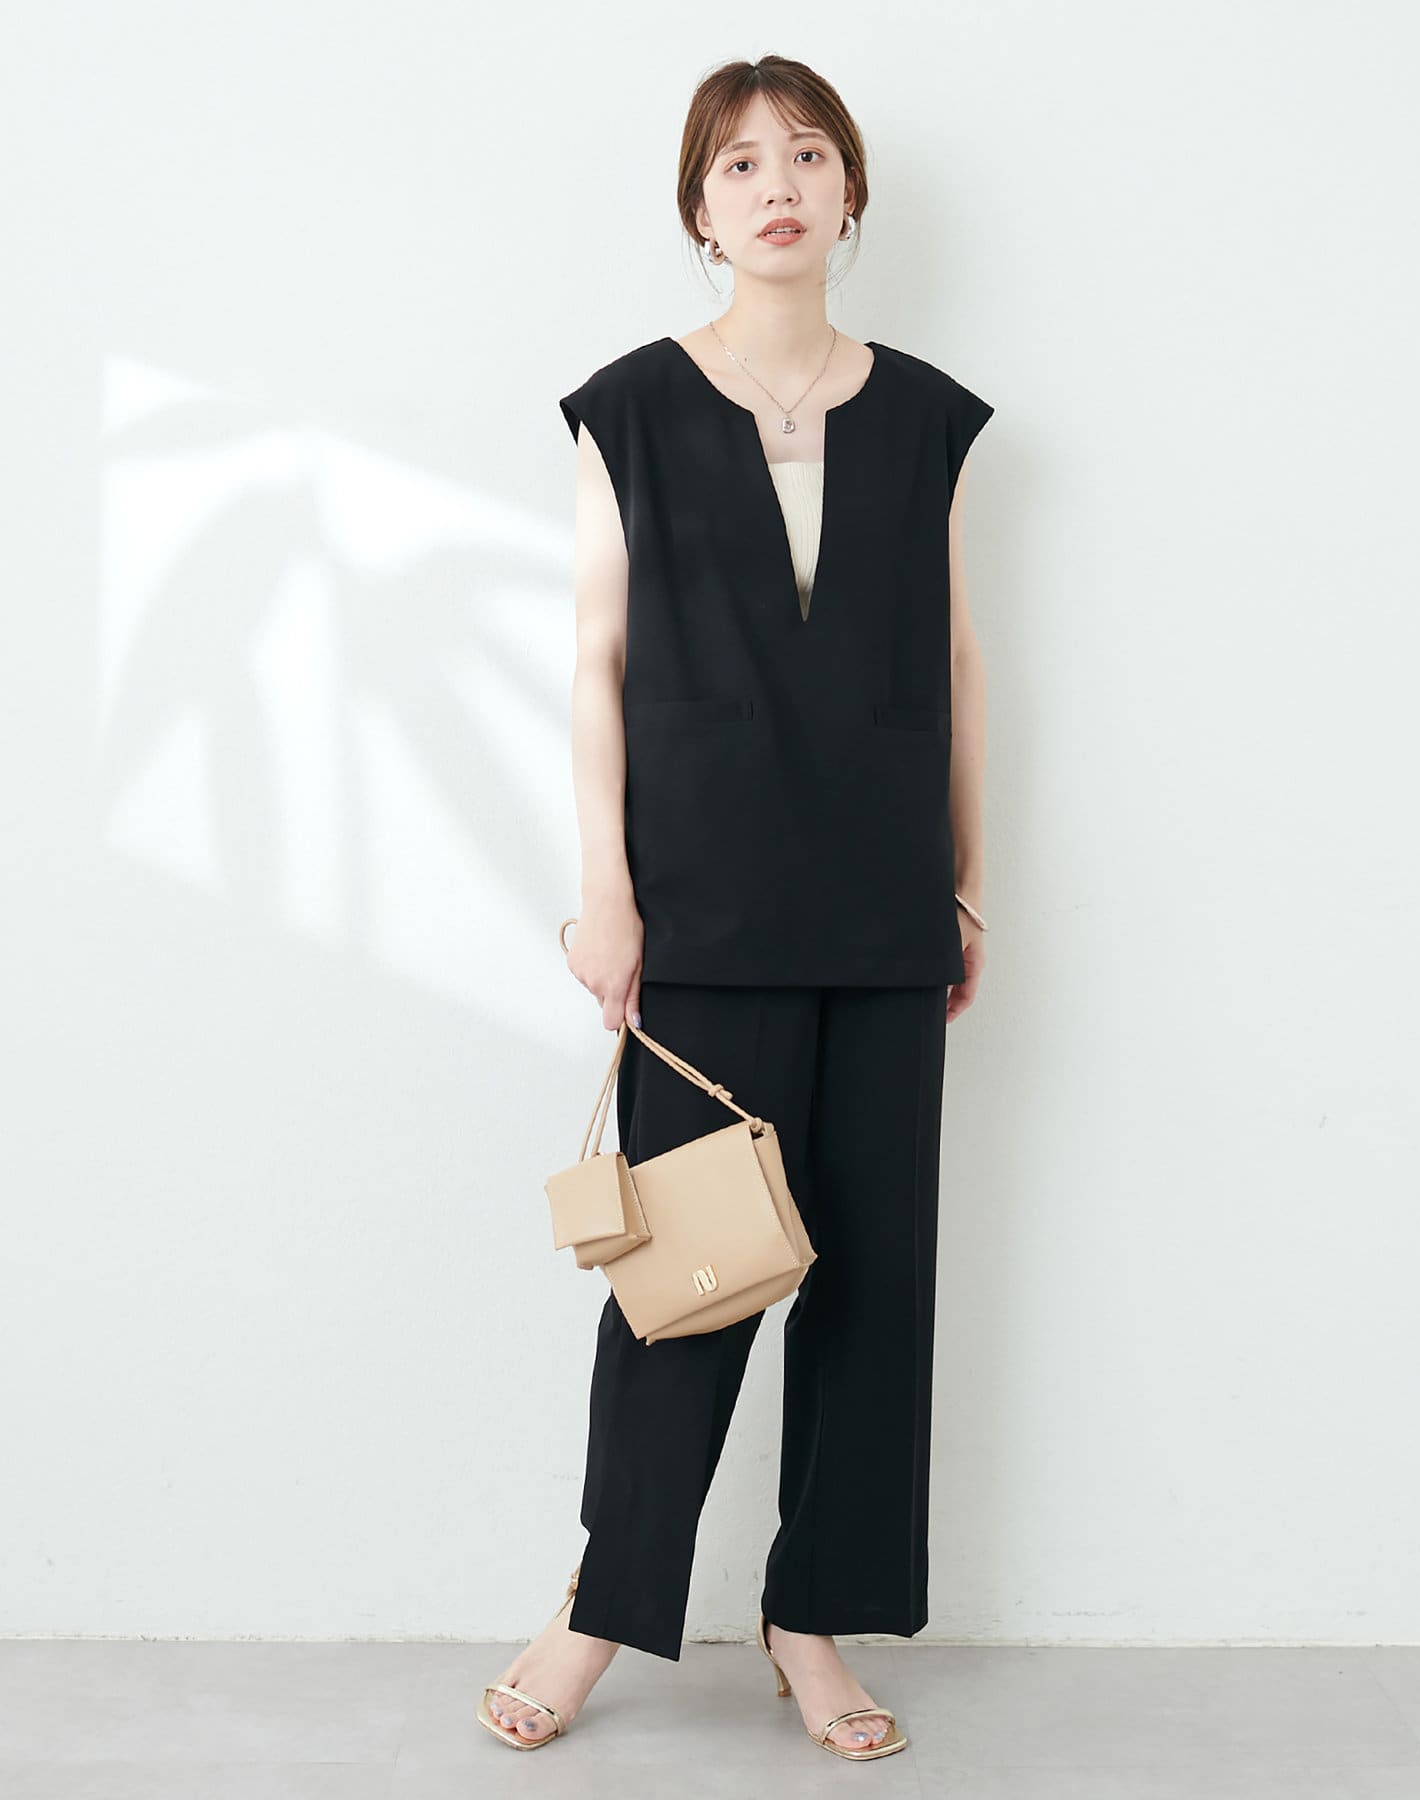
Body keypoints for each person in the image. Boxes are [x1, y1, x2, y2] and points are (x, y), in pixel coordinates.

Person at [479, 53, 993, 1762]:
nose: (780, 184)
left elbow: (957, 660)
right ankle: (601, 1604)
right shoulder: (628, 408)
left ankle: (809, 1616)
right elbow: (596, 662)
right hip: (698, 909)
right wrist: (604, 898)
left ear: (851, 194)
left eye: (810, 156)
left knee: (872, 1283)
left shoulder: (927, 418)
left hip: (883, 902)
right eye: (742, 164)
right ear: (700, 212)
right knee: (685, 1280)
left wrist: (968, 882)